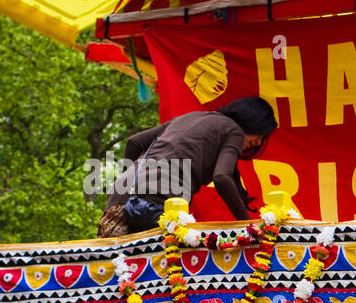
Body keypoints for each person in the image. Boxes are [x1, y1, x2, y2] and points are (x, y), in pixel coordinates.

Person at [98, 96, 277, 236]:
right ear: (254, 122)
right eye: (259, 137)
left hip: (120, 199)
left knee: (111, 270)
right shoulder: (234, 131)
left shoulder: (188, 118)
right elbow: (222, 177)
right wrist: (247, 226)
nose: (256, 143)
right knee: (163, 274)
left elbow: (134, 143)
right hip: (159, 204)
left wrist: (131, 188)